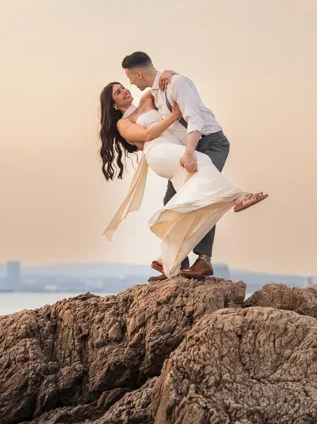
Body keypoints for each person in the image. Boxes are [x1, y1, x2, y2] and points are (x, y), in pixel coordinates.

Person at [99, 79, 267, 280]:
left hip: (174, 150)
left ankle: (169, 260)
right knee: (201, 161)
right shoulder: (123, 123)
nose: (125, 91)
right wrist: (175, 116)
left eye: (123, 87)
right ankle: (238, 197)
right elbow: (147, 134)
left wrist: (169, 73)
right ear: (114, 105)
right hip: (160, 153)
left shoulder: (146, 99)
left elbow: (161, 83)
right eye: (118, 92)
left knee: (190, 201)